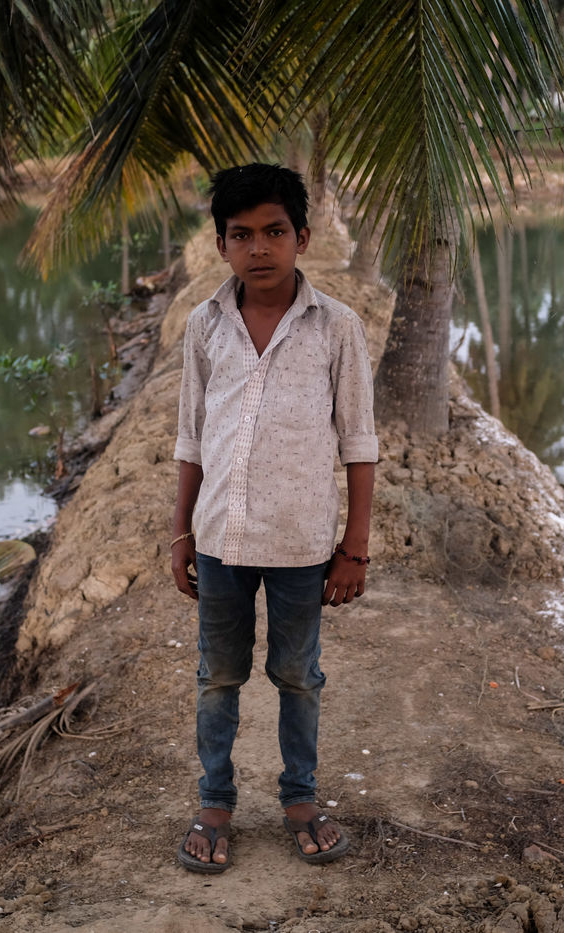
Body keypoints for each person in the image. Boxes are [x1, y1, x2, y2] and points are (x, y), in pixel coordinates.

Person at [170, 163, 378, 873]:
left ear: (303, 238)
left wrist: (354, 547)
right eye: (241, 235)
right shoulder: (205, 325)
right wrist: (180, 532)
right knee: (218, 676)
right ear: (221, 244)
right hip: (220, 539)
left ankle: (300, 798)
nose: (258, 248)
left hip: (301, 543)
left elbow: (359, 443)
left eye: (274, 231)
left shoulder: (337, 327)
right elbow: (192, 437)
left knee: (297, 675)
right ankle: (215, 802)